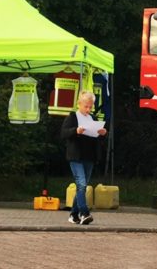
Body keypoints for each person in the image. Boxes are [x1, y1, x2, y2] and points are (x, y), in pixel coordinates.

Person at [61, 90, 106, 225]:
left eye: (91, 106)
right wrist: (76, 131)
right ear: (79, 104)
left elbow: (96, 138)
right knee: (81, 184)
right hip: (76, 156)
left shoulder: (93, 118)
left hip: (89, 157)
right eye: (86, 106)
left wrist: (102, 133)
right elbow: (63, 133)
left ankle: (73, 215)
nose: (88, 109)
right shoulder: (72, 117)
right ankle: (84, 213)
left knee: (83, 186)